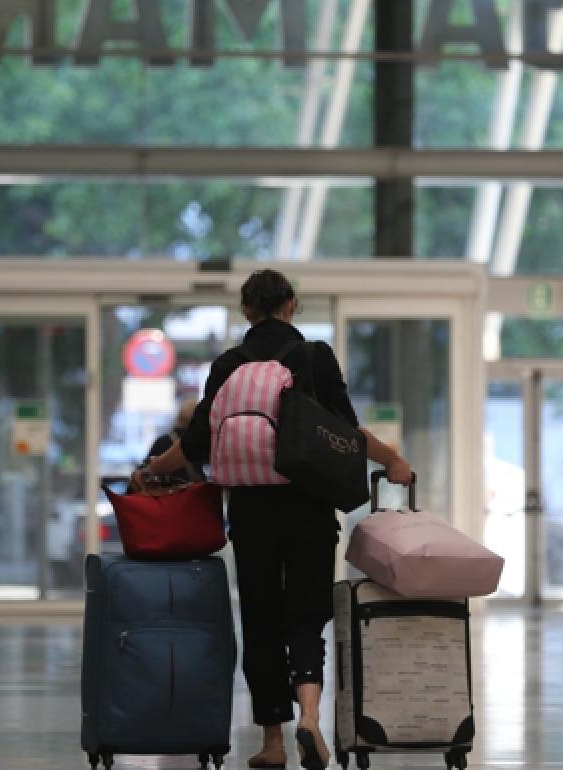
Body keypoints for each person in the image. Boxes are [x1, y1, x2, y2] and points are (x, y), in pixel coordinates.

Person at [145, 269, 413, 770]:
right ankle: (310, 715)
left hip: (250, 510)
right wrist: (391, 458)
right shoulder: (315, 357)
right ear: (292, 304)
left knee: (262, 619)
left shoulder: (229, 364)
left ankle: (272, 741)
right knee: (306, 614)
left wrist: (151, 470)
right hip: (309, 506)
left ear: (246, 310)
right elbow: (347, 431)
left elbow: (197, 443)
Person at [144, 400, 204, 484]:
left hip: (166, 495)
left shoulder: (162, 442)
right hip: (195, 495)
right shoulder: (201, 444)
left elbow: (144, 473)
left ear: (178, 417)